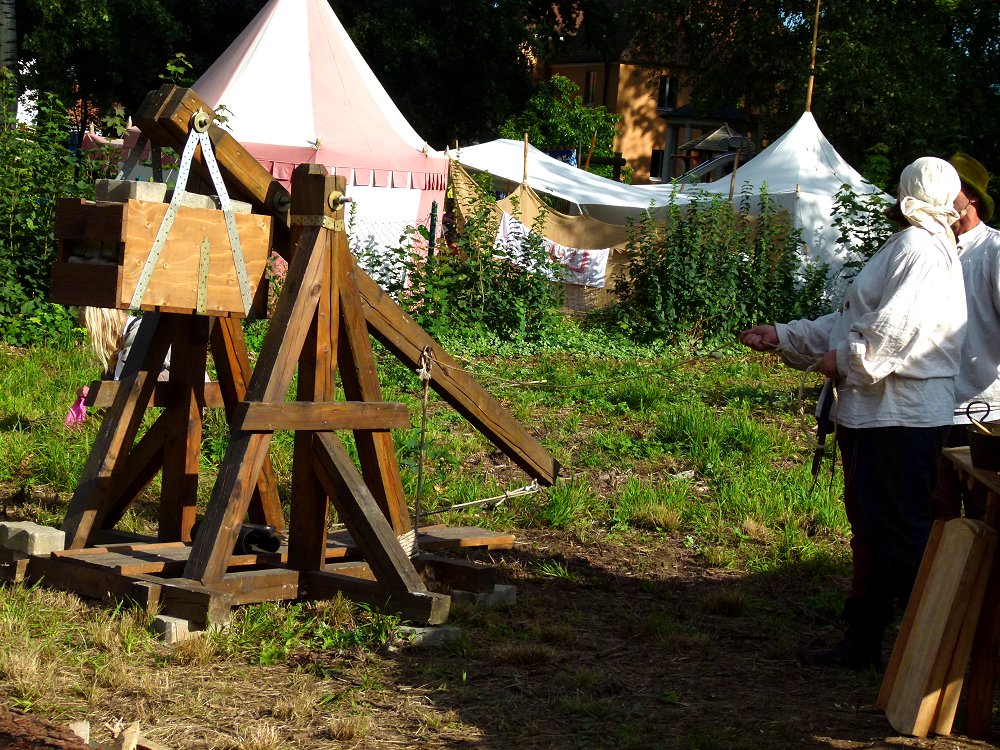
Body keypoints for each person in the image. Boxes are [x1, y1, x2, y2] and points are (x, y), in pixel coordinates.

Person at [739, 156, 967, 669]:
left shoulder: (919, 250)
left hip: (899, 421)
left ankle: (924, 658)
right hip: (881, 419)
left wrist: (838, 361)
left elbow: (888, 336)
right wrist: (788, 336)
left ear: (906, 193)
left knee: (901, 535)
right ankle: (865, 640)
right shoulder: (920, 247)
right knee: (872, 532)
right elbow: (854, 321)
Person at [929, 153, 999, 522]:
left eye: (948, 188)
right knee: (933, 509)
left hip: (981, 411)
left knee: (981, 518)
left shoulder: (994, 251)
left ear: (968, 196)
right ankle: (933, 582)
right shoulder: (928, 250)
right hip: (928, 405)